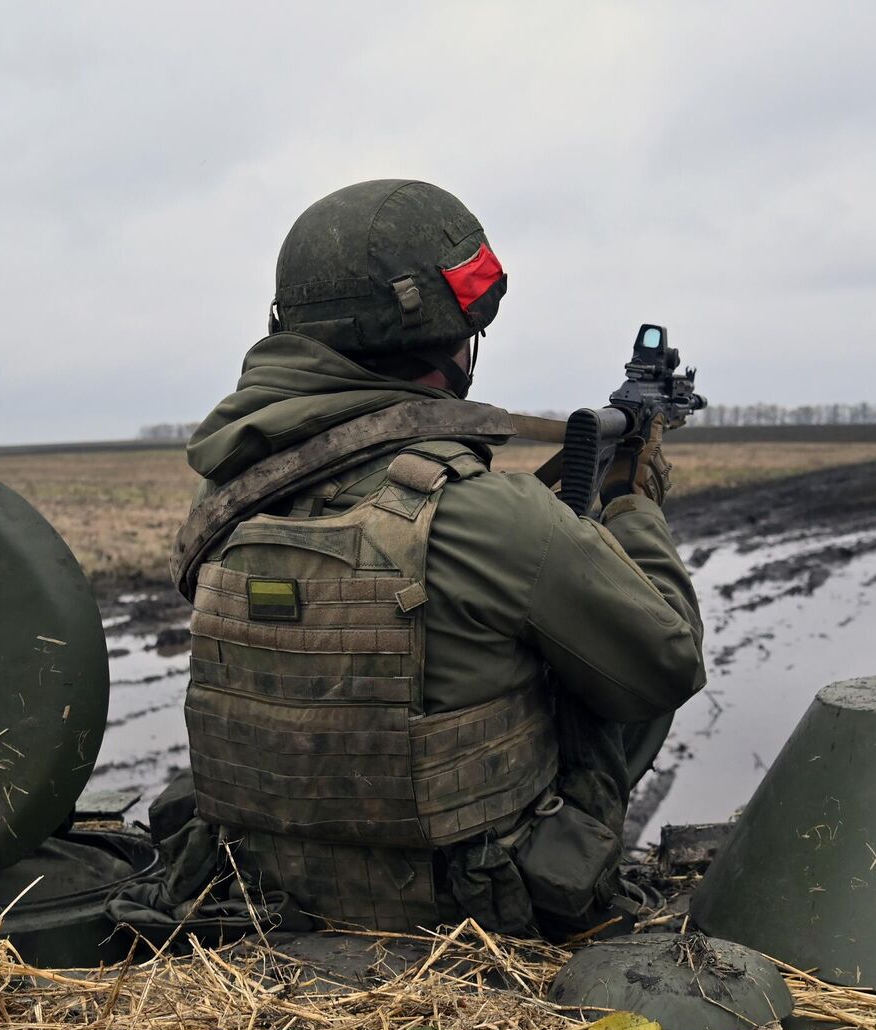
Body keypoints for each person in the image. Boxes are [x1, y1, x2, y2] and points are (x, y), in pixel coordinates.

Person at [172, 179, 705, 936]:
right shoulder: (495, 512)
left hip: (260, 892)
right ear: (456, 344)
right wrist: (634, 504)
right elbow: (668, 661)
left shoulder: (226, 490)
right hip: (464, 912)